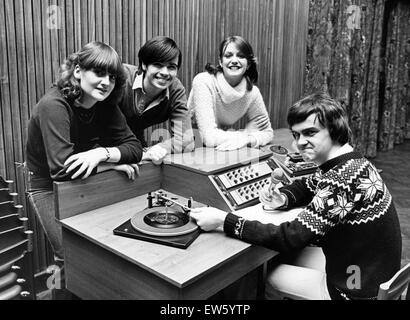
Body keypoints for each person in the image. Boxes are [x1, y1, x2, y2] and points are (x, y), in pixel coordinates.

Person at [190, 93, 402, 300]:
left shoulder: (341, 179)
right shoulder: (351, 163)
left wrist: (223, 220)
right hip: (364, 272)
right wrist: (283, 198)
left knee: (265, 274)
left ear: (334, 129)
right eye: (296, 134)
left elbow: (290, 237)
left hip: (353, 290)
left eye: (310, 132)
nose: (300, 142)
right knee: (285, 258)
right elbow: (308, 185)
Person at [26, 41, 142, 275]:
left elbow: (135, 148)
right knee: (70, 258)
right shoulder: (53, 105)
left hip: (84, 180)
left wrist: (102, 154)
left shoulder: (105, 104)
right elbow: (62, 170)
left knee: (100, 253)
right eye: (99, 72)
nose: (106, 82)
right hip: (49, 186)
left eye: (112, 77)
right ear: (78, 71)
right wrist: (111, 166)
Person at [187, 35, 274, 151]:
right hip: (190, 147)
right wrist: (246, 134)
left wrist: (249, 140)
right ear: (220, 62)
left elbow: (267, 132)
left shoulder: (252, 92)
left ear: (248, 64)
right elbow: (208, 137)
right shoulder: (203, 81)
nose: (234, 61)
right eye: (228, 56)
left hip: (222, 147)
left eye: (241, 56)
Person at [118, 36, 194, 163]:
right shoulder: (121, 76)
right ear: (144, 64)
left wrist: (156, 149)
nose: (165, 72)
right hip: (98, 143)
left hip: (135, 145)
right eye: (158, 65)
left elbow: (186, 140)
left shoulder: (176, 89)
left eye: (171, 67)